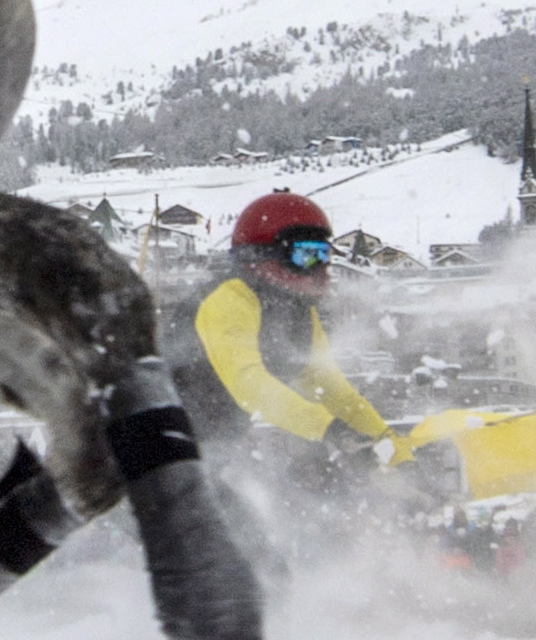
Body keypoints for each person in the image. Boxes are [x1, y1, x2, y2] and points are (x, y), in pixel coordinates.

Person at [165, 192, 398, 501]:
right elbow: (249, 384)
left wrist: (389, 442)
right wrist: (328, 429)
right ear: (260, 259)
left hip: (201, 457)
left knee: (265, 532)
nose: (322, 268)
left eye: (325, 254)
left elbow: (328, 386)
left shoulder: (298, 313)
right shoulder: (228, 299)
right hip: (149, 453)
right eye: (306, 255)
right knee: (241, 540)